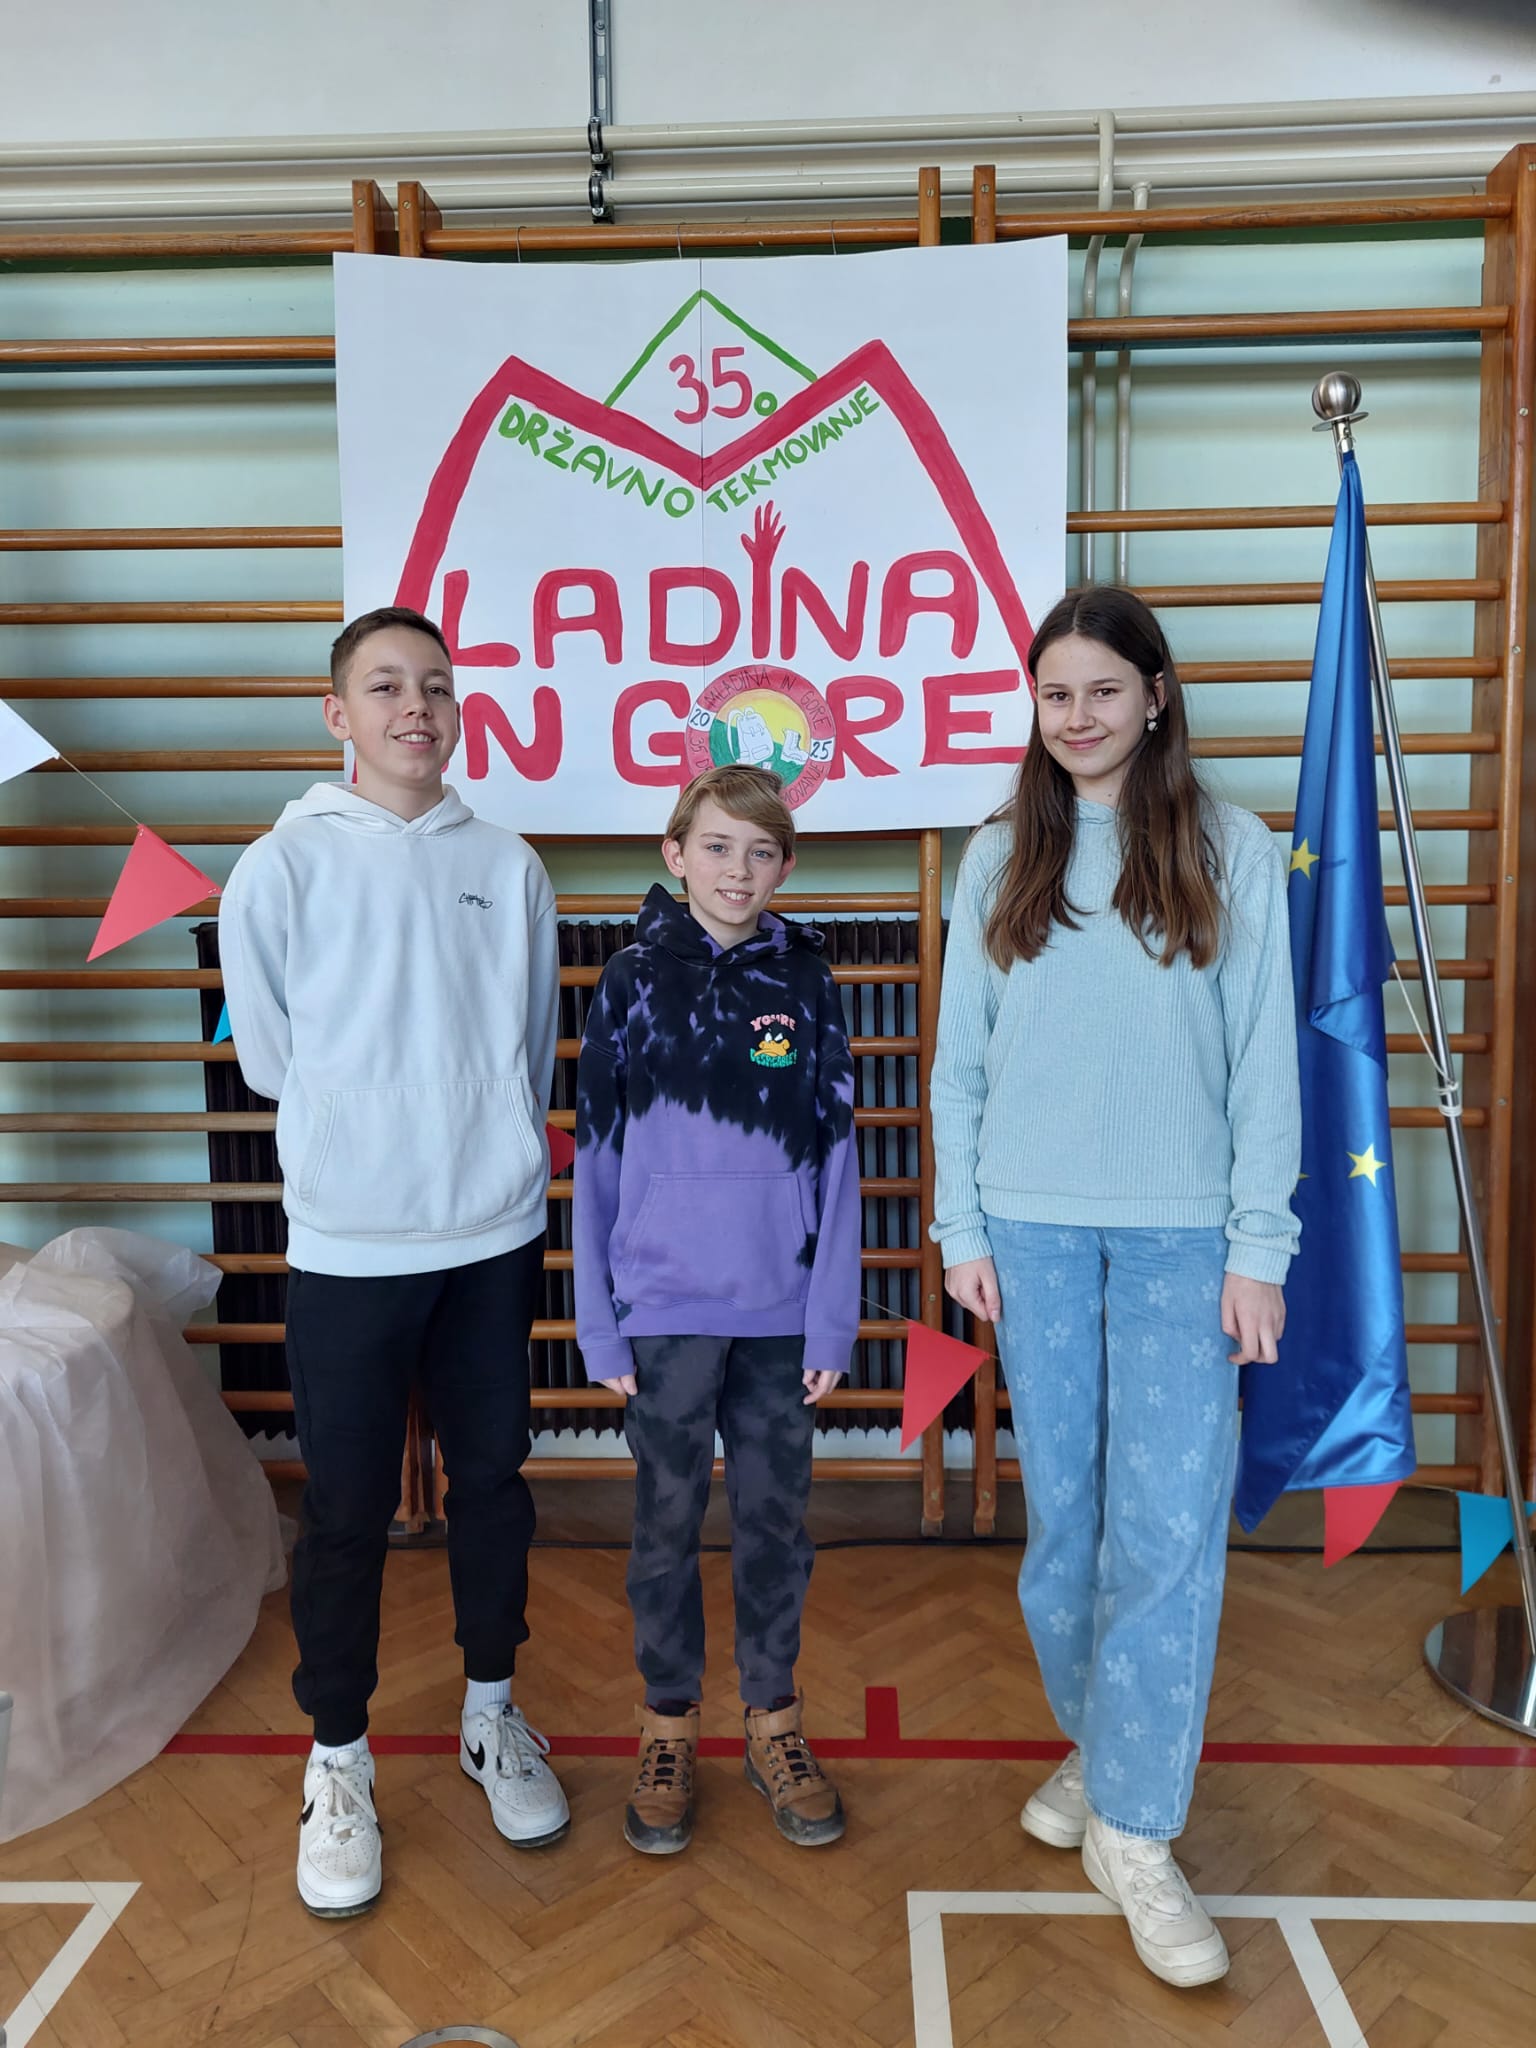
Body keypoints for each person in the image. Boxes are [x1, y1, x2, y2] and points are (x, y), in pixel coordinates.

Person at [930, 587, 1300, 1989]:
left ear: (1156, 694)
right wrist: (961, 1225)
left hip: (1183, 1243)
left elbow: (1265, 1061)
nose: (1076, 716)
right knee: (1069, 1532)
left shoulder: (1230, 848)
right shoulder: (997, 855)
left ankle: (1137, 1827)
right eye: (1054, 694)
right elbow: (959, 1064)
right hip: (1027, 1235)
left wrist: (1258, 1246)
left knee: (1166, 1532)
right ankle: (1105, 1740)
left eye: (1101, 689)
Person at [220, 605, 569, 1919]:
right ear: (339, 714)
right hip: (350, 1244)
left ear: (457, 708)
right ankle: (339, 1758)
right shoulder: (280, 869)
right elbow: (270, 1059)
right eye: (384, 686)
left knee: (493, 1483)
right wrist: (369, 1135)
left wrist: (482, 1141)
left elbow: (527, 1043)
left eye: (434, 683)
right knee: (348, 1511)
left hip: (490, 1234)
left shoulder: (508, 864)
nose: (414, 705)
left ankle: (492, 1712)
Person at [574, 764, 860, 1856]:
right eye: (717, 846)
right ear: (675, 853)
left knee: (776, 1527)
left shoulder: (809, 981)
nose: (738, 870)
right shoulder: (628, 981)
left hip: (783, 1312)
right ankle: (668, 1725)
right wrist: (599, 1321)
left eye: (761, 851)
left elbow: (840, 1158)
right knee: (665, 1526)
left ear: (784, 865)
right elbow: (596, 1161)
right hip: (662, 1310)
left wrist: (831, 1319)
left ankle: (774, 1720)